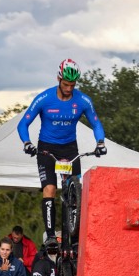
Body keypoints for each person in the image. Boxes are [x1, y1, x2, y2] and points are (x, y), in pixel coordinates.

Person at [18, 59, 107, 241]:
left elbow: (96, 124)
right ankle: (50, 236)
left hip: (69, 148)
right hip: (46, 148)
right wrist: (27, 143)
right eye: (66, 84)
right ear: (58, 79)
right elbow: (23, 124)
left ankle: (75, 235)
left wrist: (100, 142)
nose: (69, 88)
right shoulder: (45, 98)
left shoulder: (82, 100)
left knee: (77, 189)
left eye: (72, 85)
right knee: (50, 189)